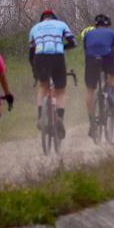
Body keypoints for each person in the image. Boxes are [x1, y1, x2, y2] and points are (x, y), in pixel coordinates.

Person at [28, 8, 75, 138]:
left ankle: (40, 117)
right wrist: (61, 46)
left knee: (43, 86)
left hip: (40, 57)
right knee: (60, 90)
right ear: (54, 18)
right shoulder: (61, 24)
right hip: (57, 57)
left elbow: (31, 53)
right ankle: (59, 119)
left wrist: (34, 70)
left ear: (42, 19)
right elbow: (73, 43)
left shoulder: (34, 28)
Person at [82, 14, 114, 137]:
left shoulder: (88, 34)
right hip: (107, 58)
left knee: (90, 90)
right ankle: (110, 93)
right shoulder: (113, 33)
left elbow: (86, 50)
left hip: (91, 60)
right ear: (108, 25)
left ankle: (92, 121)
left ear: (96, 25)